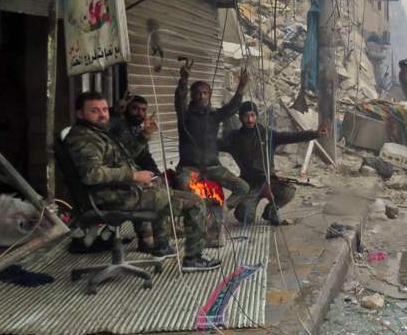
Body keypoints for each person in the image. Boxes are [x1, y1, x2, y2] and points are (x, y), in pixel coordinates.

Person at [65, 91, 220, 271]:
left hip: (117, 191)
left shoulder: (97, 133)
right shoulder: (84, 138)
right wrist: (134, 176)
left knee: (159, 186)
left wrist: (145, 135)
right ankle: (193, 259)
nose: (102, 114)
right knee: (195, 202)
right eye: (94, 110)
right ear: (80, 114)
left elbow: (126, 156)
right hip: (109, 197)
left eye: (105, 110)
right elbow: (92, 174)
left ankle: (161, 246)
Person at [220, 102, 327, 225]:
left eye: (252, 115)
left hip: (269, 181)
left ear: (256, 116)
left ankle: (271, 211)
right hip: (250, 184)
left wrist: (315, 134)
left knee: (288, 192)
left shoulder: (267, 135)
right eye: (246, 116)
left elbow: (291, 136)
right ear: (241, 118)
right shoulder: (234, 138)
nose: (250, 120)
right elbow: (215, 145)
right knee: (244, 216)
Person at [174, 64, 251, 205]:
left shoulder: (214, 115)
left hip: (213, 167)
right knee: (184, 185)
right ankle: (201, 208)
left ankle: (221, 209)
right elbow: (180, 100)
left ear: (209, 95)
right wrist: (183, 81)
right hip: (189, 168)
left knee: (243, 188)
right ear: (192, 95)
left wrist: (240, 88)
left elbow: (232, 108)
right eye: (198, 93)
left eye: (205, 93)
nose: (201, 96)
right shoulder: (185, 115)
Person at [109, 94, 160, 175]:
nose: (140, 113)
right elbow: (125, 157)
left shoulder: (137, 128)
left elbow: (144, 157)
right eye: (135, 108)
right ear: (126, 108)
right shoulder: (116, 125)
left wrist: (157, 175)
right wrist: (144, 136)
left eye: (143, 110)